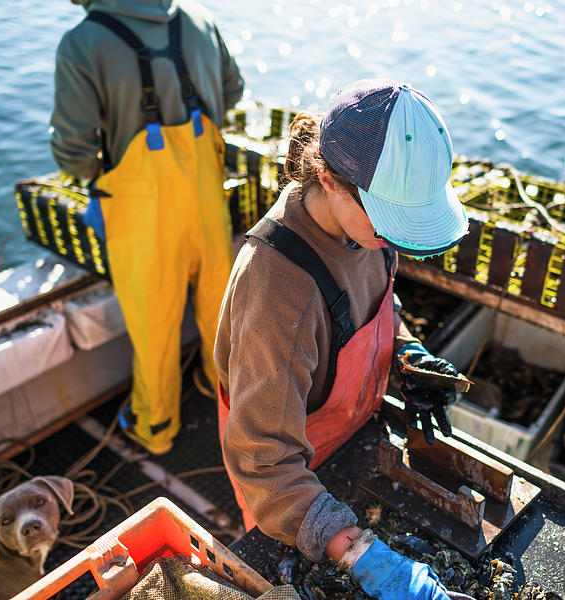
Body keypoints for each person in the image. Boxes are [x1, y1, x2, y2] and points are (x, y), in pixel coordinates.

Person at [214, 79, 469, 600]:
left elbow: (374, 308)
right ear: (329, 178)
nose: (395, 240)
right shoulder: (279, 290)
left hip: (351, 431)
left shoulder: (365, 231)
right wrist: (362, 554)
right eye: (391, 223)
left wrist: (407, 354)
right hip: (288, 476)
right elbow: (264, 462)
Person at [50, 0, 244, 455]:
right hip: (207, 199)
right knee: (223, 312)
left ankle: (155, 429)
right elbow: (233, 91)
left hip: (143, 213)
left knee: (153, 326)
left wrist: (109, 163)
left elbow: (73, 152)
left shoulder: (81, 43)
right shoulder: (199, 19)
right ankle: (236, 412)